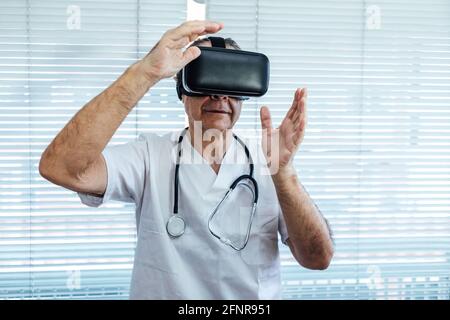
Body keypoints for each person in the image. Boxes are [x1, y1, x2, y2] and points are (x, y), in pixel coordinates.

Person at [39, 20, 334, 299]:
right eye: (207, 77)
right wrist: (145, 72)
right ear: (183, 91)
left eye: (230, 81)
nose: (219, 94)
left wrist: (284, 173)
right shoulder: (148, 156)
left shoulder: (270, 163)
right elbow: (61, 167)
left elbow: (318, 259)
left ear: (244, 92)